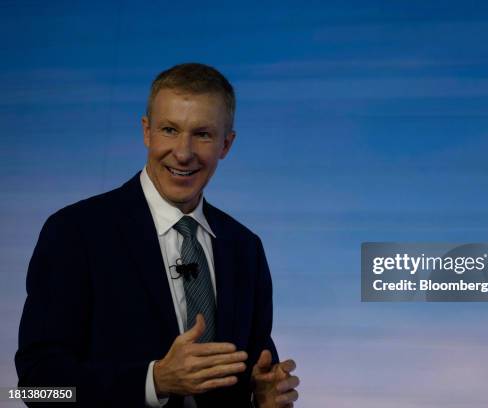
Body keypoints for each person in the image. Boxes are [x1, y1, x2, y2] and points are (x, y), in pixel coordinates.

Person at [15, 63, 300, 407]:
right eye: (169, 130)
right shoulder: (75, 232)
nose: (183, 152)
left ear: (226, 144)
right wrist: (154, 382)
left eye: (203, 134)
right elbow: (36, 387)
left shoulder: (245, 248)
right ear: (146, 132)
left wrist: (265, 397)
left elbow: (255, 373)